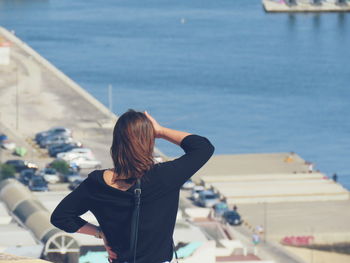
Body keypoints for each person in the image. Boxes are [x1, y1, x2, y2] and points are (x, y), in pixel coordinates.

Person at [50, 109, 215, 263]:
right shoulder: (165, 176)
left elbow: (61, 217)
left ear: (116, 144)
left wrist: (101, 233)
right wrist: (161, 131)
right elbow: (202, 147)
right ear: (149, 142)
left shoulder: (97, 183)